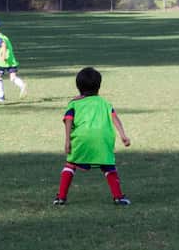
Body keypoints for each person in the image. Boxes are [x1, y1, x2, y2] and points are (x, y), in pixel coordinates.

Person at [54, 67, 132, 206]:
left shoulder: (74, 103)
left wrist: (67, 140)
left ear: (78, 86)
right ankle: (118, 197)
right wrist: (123, 135)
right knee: (108, 166)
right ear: (99, 86)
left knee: (71, 164)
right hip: (103, 138)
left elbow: (68, 119)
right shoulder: (105, 103)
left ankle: (61, 197)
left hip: (81, 138)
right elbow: (114, 118)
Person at [0, 17, 27, 102]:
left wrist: (3, 56)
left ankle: (1, 96)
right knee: (13, 78)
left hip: (3, 61)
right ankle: (22, 85)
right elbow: (1, 49)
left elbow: (3, 46)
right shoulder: (3, 36)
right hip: (11, 60)